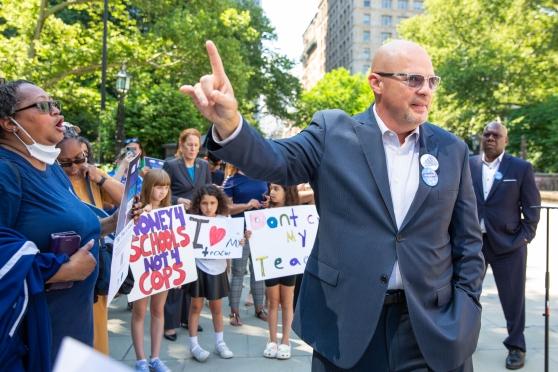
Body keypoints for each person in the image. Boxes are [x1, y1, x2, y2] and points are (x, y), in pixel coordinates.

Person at [181, 40, 485, 371]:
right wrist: (229, 124)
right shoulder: (333, 132)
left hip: (431, 329)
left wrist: (466, 310)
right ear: (376, 83)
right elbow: (275, 160)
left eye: (431, 81)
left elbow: (468, 240)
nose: (425, 90)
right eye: (413, 79)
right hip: (346, 328)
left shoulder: (450, 149)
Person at [0, 80, 109, 364]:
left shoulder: (51, 167)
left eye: (55, 103)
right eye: (44, 105)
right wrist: (59, 271)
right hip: (34, 336)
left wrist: (118, 222)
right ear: (9, 123)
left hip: (73, 324)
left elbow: (80, 224)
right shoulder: (5, 172)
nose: (57, 111)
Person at [469, 121, 540, 370]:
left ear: (505, 140)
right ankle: (464, 344)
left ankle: (516, 347)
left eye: (496, 135)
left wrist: (525, 236)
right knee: (467, 296)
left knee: (513, 299)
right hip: (473, 244)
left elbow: (532, 206)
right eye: (486, 133)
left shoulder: (520, 168)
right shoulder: (468, 165)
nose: (490, 138)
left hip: (509, 245)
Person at [56, 124, 125, 355]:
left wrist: (101, 179)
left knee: (97, 326)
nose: (75, 167)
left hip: (95, 262)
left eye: (79, 158)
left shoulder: (91, 175)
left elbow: (128, 199)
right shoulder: (50, 182)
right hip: (63, 267)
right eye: (66, 163)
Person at [162, 128, 211, 340]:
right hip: (176, 223)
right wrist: (176, 201)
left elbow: (209, 192)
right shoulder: (170, 165)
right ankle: (170, 324)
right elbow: (163, 192)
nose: (192, 148)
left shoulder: (204, 165)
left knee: (192, 273)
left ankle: (188, 318)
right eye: (189, 144)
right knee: (176, 275)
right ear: (181, 146)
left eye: (196, 145)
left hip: (198, 224)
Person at [248, 184, 300, 360]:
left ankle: (285, 341)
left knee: (287, 303)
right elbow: (255, 234)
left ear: (288, 191)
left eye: (277, 189)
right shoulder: (263, 213)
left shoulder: (295, 213)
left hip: (289, 263)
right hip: (270, 264)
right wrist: (249, 234)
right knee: (272, 302)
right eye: (271, 188)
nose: (272, 192)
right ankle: (271, 340)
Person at [186, 184, 235, 362]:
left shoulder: (225, 219)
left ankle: (220, 343)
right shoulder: (192, 220)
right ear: (198, 203)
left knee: (217, 308)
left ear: (218, 203)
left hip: (218, 268)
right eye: (204, 203)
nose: (208, 207)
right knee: (196, 307)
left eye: (212, 203)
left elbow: (232, 242)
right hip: (198, 267)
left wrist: (242, 239)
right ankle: (193, 344)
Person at [130, 169, 173, 372]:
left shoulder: (170, 212)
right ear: (149, 186)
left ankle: (155, 358)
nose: (162, 191)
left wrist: (177, 269)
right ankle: (140, 360)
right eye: (158, 186)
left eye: (166, 187)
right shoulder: (137, 209)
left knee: (158, 310)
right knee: (139, 312)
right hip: (142, 267)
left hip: (163, 266)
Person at [222, 164, 268, 326]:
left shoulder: (262, 175)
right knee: (238, 272)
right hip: (240, 233)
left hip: (261, 231)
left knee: (259, 271)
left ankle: (259, 308)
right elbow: (226, 208)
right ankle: (234, 312)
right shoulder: (231, 181)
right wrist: (248, 205)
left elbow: (271, 198)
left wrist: (268, 203)